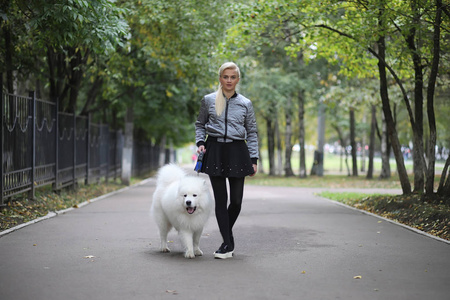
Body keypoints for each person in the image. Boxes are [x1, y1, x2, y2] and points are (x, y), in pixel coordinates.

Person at [195, 62, 259, 259]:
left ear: (237, 79)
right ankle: (228, 244)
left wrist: (253, 157)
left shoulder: (246, 104)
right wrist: (200, 141)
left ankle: (226, 237)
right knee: (221, 201)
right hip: (215, 150)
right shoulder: (208, 100)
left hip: (238, 151)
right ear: (220, 78)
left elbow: (252, 132)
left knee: (237, 201)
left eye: (233, 77)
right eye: (225, 77)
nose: (229, 80)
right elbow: (200, 124)